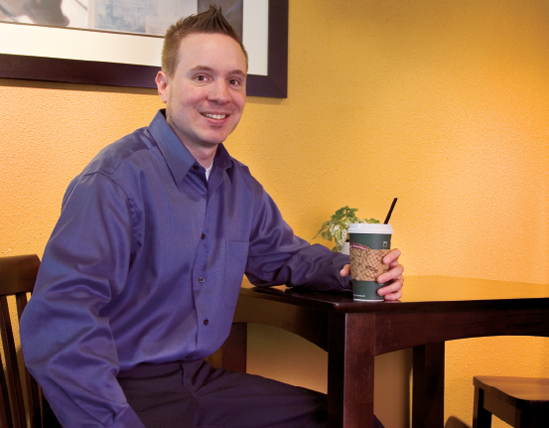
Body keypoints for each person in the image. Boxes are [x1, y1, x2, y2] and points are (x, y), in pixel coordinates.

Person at [20, 6, 404, 428]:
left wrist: (353, 269)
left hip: (198, 383)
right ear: (164, 87)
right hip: (117, 390)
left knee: (353, 422)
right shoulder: (113, 181)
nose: (221, 94)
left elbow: (284, 256)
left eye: (234, 80)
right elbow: (59, 330)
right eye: (201, 76)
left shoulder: (239, 185)